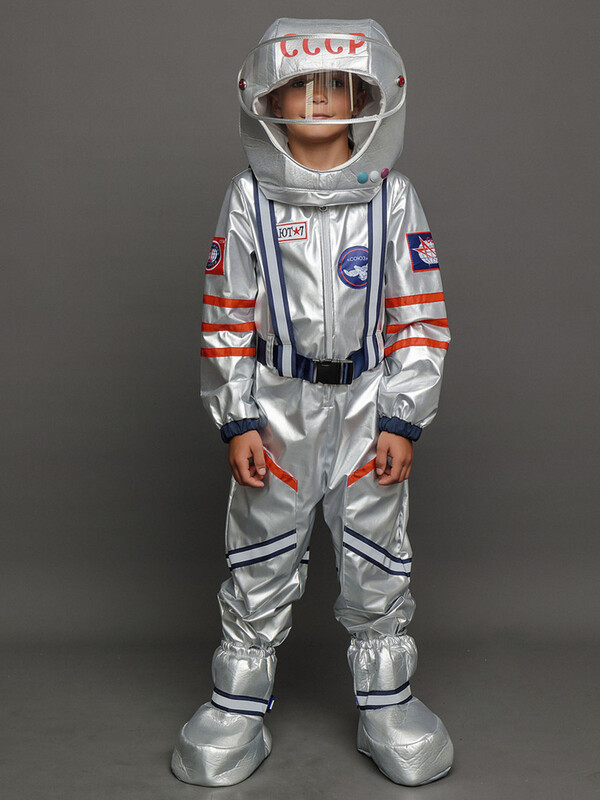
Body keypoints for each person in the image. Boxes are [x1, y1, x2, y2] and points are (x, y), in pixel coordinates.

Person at [171, 18, 454, 787]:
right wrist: (238, 418)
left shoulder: (392, 198)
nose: (321, 97)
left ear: (367, 99)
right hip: (278, 405)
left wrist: (402, 416)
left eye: (337, 84)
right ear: (270, 100)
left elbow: (419, 318)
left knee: (375, 552)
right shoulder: (249, 199)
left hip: (368, 399)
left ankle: (387, 703)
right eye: (302, 84)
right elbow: (228, 316)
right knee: (261, 550)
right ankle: (238, 702)